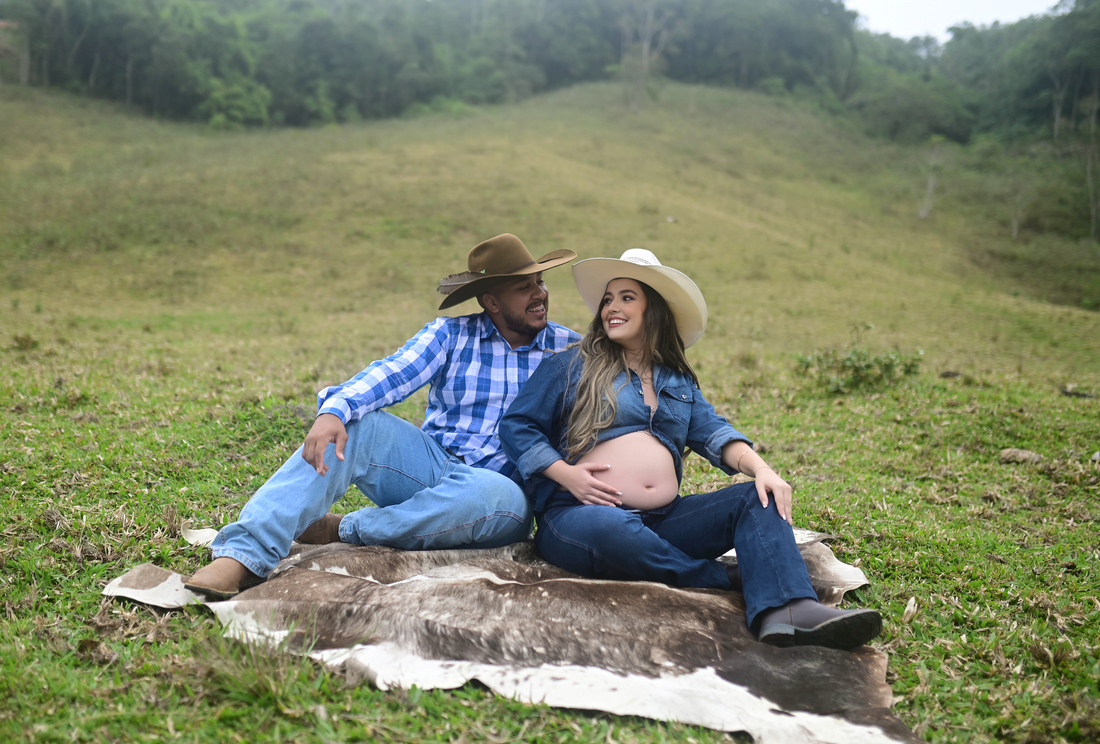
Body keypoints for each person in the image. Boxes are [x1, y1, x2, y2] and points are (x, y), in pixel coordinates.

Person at [499, 249, 882, 649]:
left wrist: (763, 470)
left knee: (756, 497)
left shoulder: (678, 381)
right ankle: (721, 577)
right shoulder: (571, 365)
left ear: (655, 310)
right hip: (580, 516)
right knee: (612, 528)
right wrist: (567, 475)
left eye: (627, 297)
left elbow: (715, 432)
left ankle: (789, 609)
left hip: (665, 520)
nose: (611, 307)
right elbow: (517, 426)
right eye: (608, 299)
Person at [185, 234, 580, 599]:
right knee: (360, 424)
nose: (539, 293)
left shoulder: (570, 349)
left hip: (501, 494)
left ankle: (342, 528)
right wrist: (334, 410)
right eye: (523, 286)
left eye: (541, 282)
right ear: (491, 301)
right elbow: (395, 371)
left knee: (495, 495)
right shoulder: (451, 334)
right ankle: (240, 555)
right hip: (434, 465)